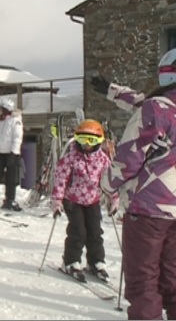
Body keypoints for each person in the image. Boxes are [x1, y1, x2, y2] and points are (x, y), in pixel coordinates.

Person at [100, 48, 176, 320]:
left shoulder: (156, 109)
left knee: (143, 282)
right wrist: (113, 91)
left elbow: (128, 159)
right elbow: (150, 104)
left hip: (148, 209)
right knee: (173, 279)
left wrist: (107, 185)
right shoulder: (160, 108)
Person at [50, 120, 114, 282]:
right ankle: (70, 261)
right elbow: (60, 179)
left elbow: (110, 181)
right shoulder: (70, 157)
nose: (86, 144)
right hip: (72, 200)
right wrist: (57, 201)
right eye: (82, 139)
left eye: (91, 140)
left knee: (95, 231)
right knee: (78, 231)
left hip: (93, 200)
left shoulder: (103, 159)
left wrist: (113, 199)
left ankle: (95, 261)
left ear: (99, 141)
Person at [0, 97, 24, 211]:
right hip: (0, 153)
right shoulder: (2, 121)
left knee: (11, 178)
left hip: (11, 153)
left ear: (6, 109)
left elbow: (17, 138)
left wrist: (14, 153)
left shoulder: (15, 121)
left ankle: (10, 200)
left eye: (1, 108)